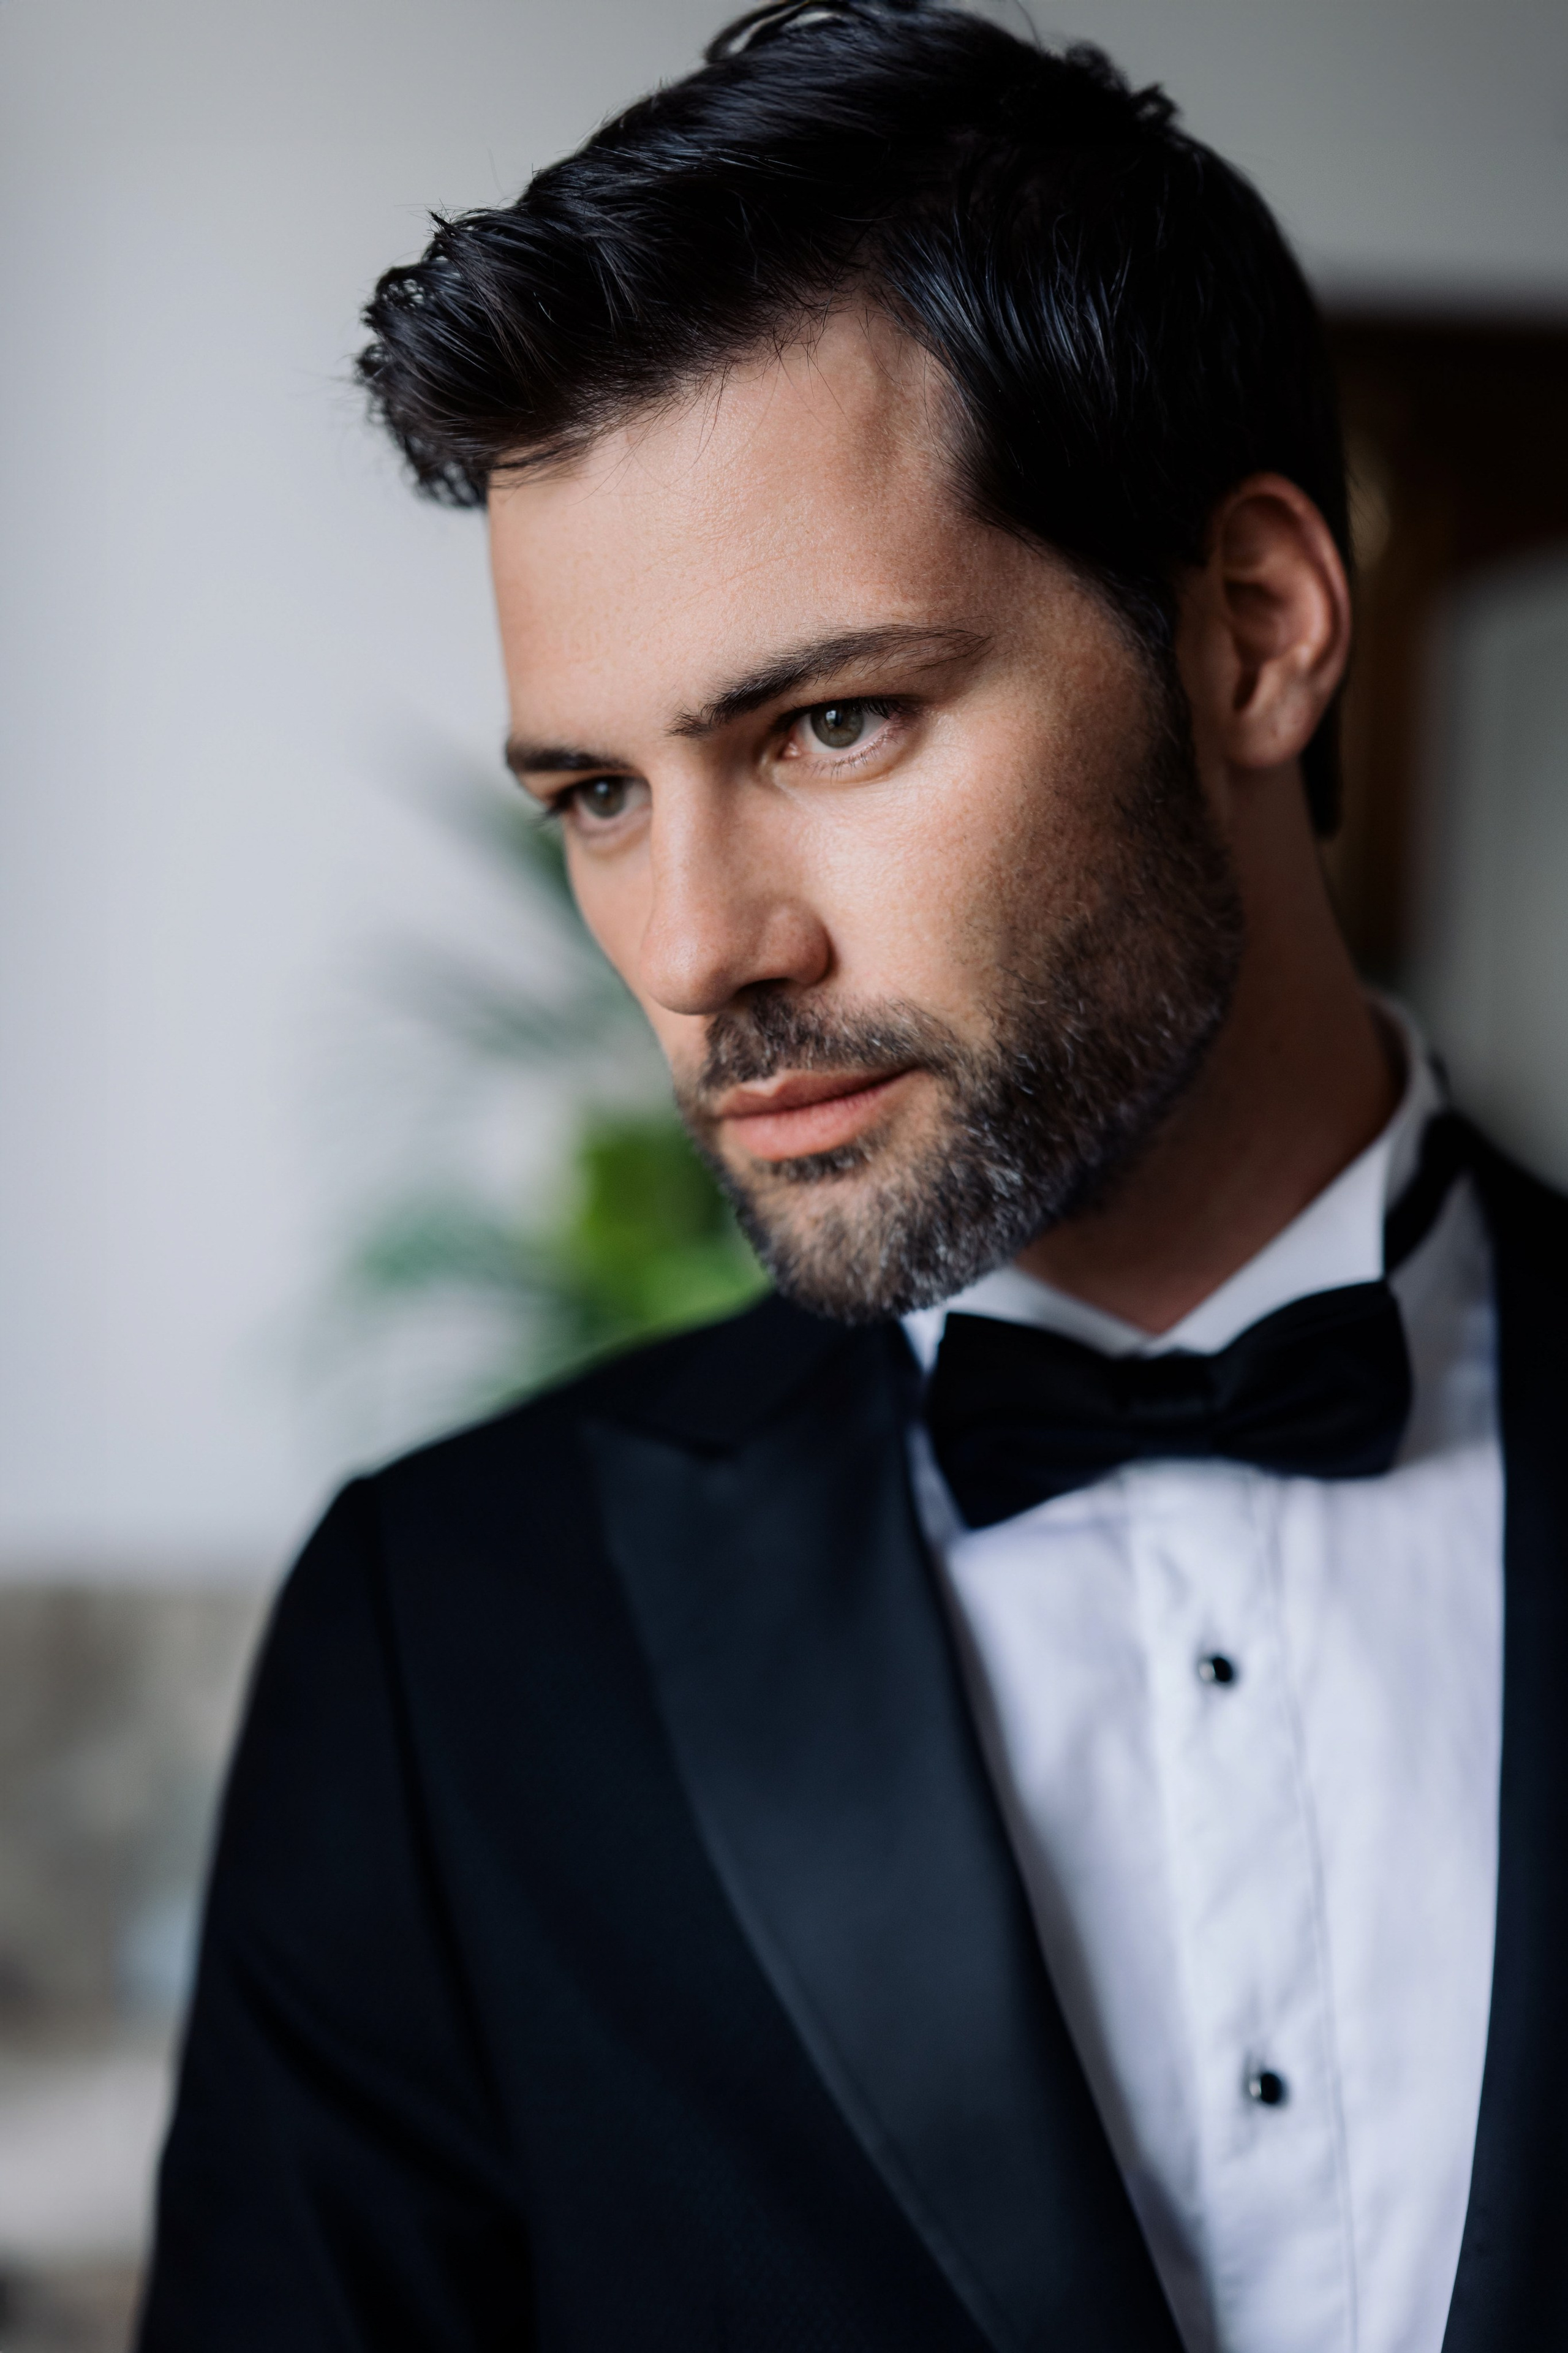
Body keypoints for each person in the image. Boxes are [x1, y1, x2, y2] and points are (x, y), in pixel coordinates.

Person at [136, 6, 1568, 2349]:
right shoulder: (439, 1642)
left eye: (832, 721)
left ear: (1255, 633)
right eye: (595, 792)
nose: (699, 950)